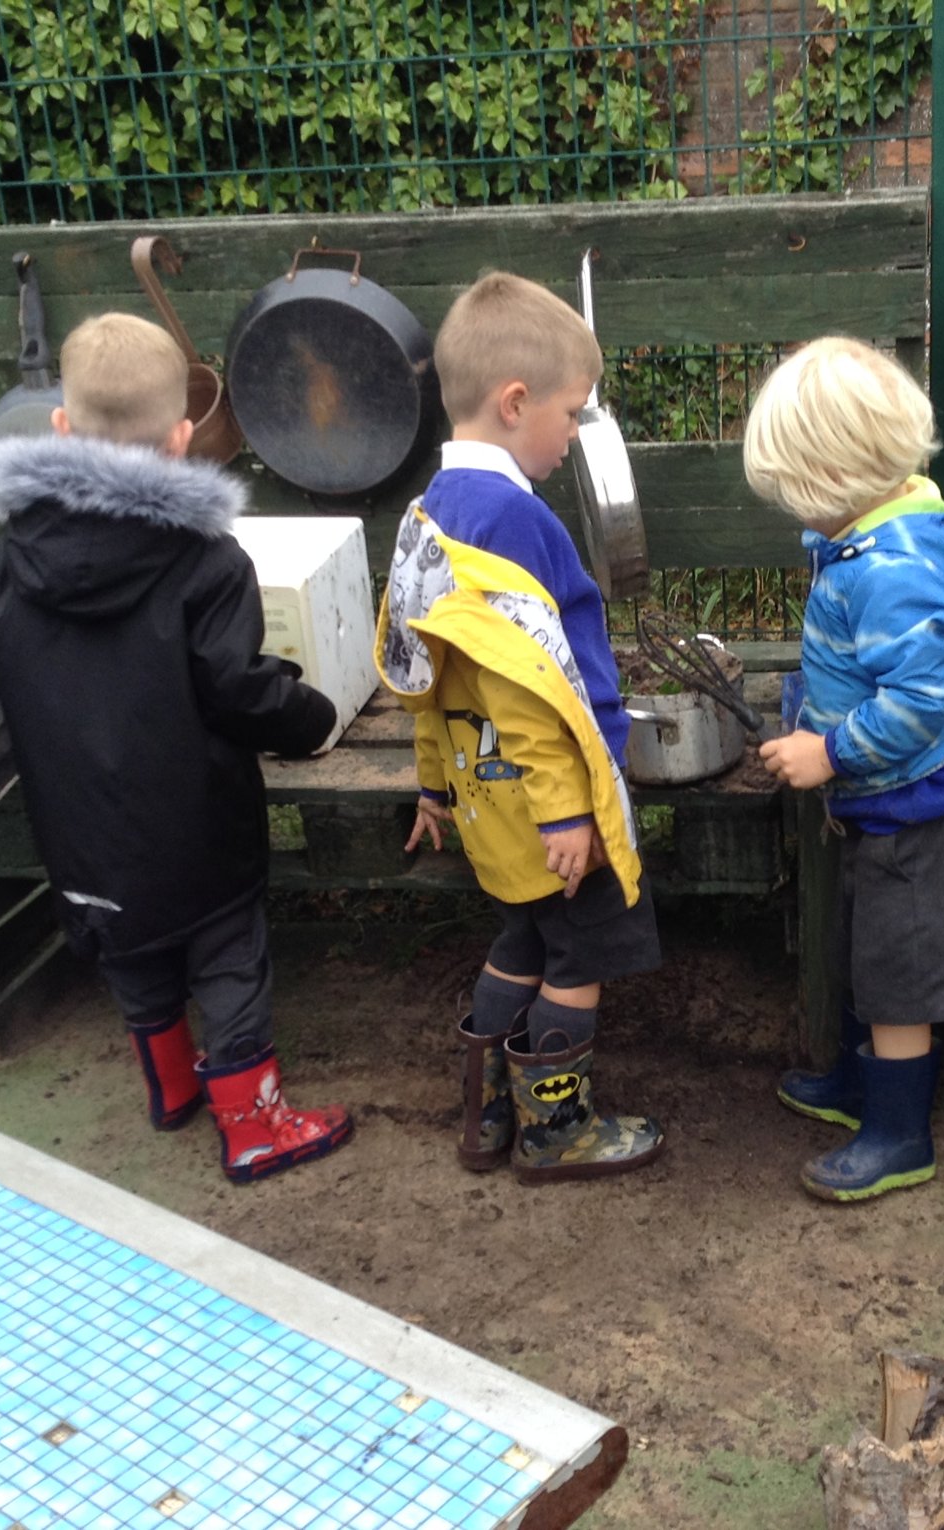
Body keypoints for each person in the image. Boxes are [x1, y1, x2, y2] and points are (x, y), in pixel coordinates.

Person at [0, 312, 353, 1185]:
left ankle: (171, 1089)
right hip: (195, 828)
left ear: (60, 427)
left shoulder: (16, 550)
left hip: (80, 831)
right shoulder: (203, 560)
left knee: (131, 950)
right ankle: (254, 1126)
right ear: (182, 440)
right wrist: (312, 714)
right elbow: (237, 687)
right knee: (228, 962)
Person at [374, 270, 665, 1184]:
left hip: (480, 798)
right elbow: (530, 695)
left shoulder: (427, 517)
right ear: (514, 403)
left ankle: (485, 1116)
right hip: (548, 809)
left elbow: (417, 674)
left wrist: (431, 783)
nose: (574, 434)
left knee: (523, 942)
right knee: (579, 956)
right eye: (571, 413)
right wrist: (566, 813)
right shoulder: (517, 524)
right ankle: (555, 1132)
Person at [743, 336, 944, 1202]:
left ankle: (899, 1135)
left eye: (799, 492)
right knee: (862, 956)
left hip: (909, 810)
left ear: (836, 478)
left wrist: (830, 749)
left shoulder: (896, 569)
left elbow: (923, 698)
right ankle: (858, 1088)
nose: (796, 512)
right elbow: (865, 662)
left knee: (898, 980)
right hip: (876, 803)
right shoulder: (876, 533)